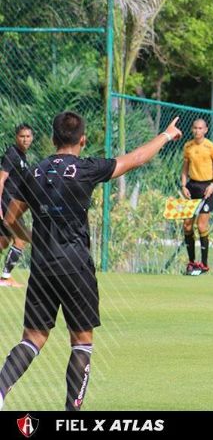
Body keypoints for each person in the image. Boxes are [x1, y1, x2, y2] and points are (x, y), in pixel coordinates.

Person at [0, 111, 182, 411]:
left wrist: (30, 237)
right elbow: (135, 159)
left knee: (32, 338)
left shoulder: (33, 172)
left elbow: (9, 218)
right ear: (82, 139)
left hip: (43, 268)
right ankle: (72, 413)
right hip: (76, 267)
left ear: (52, 138)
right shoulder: (85, 169)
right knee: (81, 341)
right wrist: (165, 135)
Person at [180, 118, 213, 275]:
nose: (197, 131)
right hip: (192, 187)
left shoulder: (212, 147)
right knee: (187, 225)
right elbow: (184, 169)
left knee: (202, 226)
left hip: (206, 187)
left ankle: (204, 264)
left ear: (205, 130)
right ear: (192, 130)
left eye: (200, 128)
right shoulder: (188, 147)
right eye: (195, 128)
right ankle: (192, 262)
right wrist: (184, 186)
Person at [0, 124, 34, 288]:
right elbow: (1, 180)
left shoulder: (22, 157)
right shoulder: (12, 153)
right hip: (8, 203)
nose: (25, 139)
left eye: (28, 136)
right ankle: (5, 278)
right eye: (22, 136)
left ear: (32, 138)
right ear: (16, 137)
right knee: (20, 240)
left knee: (3, 242)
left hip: (13, 205)